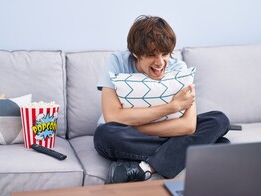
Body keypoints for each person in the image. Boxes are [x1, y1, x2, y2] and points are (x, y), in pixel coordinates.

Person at [94, 15, 230, 184]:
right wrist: (172, 107)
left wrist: (137, 126)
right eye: (152, 55)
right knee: (105, 134)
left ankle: (146, 168)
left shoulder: (178, 68)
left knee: (218, 119)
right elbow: (113, 117)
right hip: (138, 135)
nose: (160, 62)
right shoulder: (116, 61)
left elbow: (188, 126)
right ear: (136, 53)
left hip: (153, 133)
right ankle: (192, 149)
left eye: (165, 54)